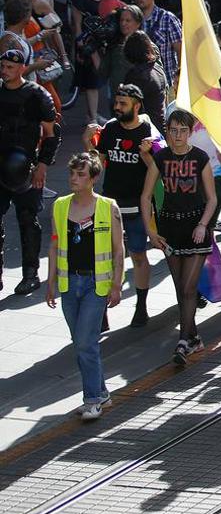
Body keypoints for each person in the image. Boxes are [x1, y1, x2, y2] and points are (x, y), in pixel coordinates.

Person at [45, 151, 124, 421]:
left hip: (95, 284)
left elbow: (118, 250)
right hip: (69, 284)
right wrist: (51, 282)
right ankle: (101, 392)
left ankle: (92, 400)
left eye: (80, 175)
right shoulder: (60, 206)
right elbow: (55, 245)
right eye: (72, 174)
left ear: (93, 179)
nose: (74, 179)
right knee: (82, 343)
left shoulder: (108, 207)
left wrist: (116, 284)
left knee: (85, 342)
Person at [139, 108, 217, 365]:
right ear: (168, 132)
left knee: (188, 288)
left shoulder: (200, 157)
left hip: (195, 231)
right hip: (170, 230)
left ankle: (183, 342)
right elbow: (146, 196)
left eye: (183, 130)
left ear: (190, 131)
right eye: (173, 130)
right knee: (179, 289)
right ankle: (193, 336)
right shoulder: (160, 158)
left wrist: (203, 225)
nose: (178, 135)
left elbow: (212, 198)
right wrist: (151, 231)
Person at [0, 46, 60, 296]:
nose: (5, 71)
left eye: (10, 67)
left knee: (28, 222)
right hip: (1, 167)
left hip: (28, 168)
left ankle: (30, 274)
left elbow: (51, 134)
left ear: (22, 68)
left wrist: (42, 166)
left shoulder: (36, 95)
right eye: (2, 66)